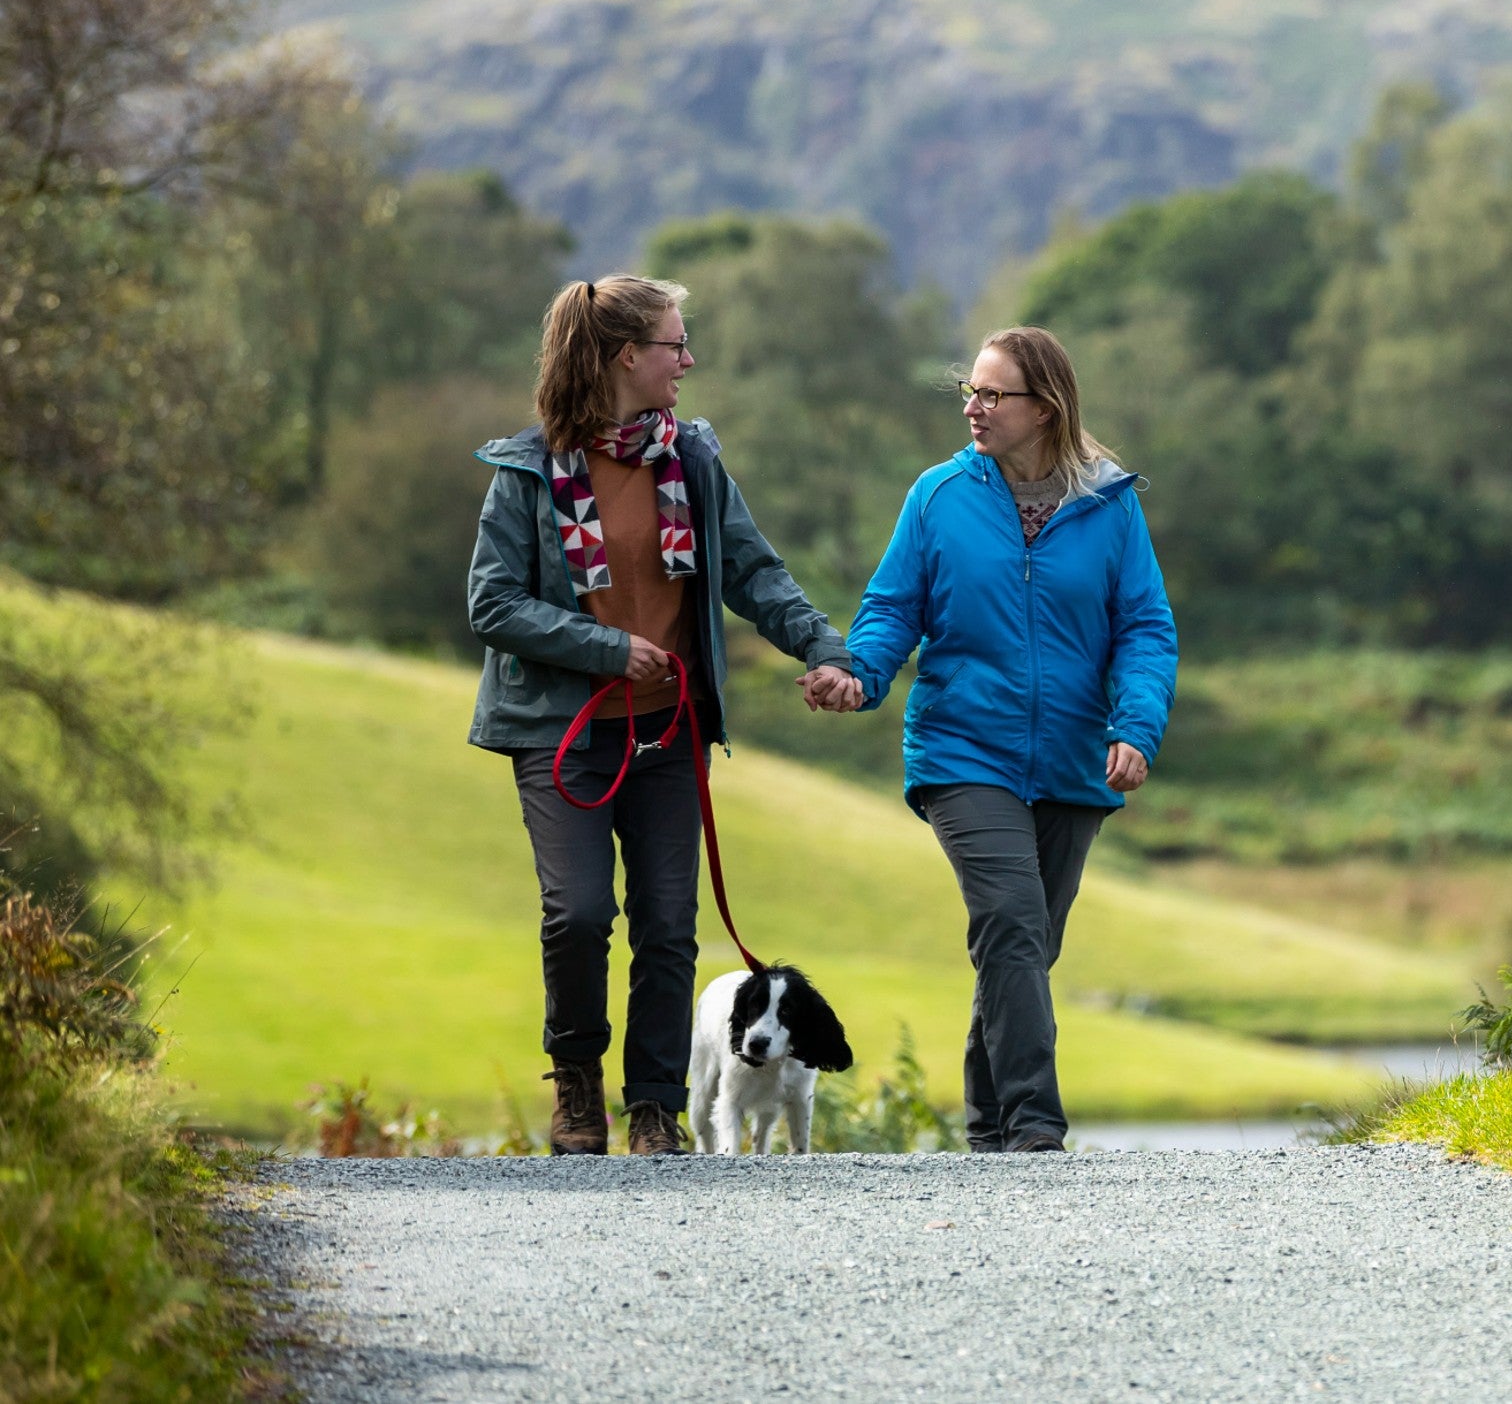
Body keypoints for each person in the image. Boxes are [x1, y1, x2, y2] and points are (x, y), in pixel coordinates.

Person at [467, 275, 864, 1156]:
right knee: (576, 914)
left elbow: (756, 573)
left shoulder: (693, 460)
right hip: (561, 732)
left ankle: (651, 1105)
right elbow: (492, 604)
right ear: (623, 357)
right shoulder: (525, 474)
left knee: (667, 923)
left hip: (666, 732)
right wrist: (606, 650)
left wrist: (825, 650)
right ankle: (576, 1087)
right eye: (674, 344)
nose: (688, 360)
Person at [828, 325, 1177, 1153]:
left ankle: (986, 1128)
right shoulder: (939, 496)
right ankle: (1034, 1126)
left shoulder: (1110, 506)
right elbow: (891, 608)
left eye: (992, 394)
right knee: (1012, 924)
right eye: (969, 392)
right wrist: (860, 674)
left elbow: (1145, 629)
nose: (974, 408)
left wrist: (1135, 726)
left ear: (1044, 407)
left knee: (1023, 948)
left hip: (1071, 760)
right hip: (961, 752)